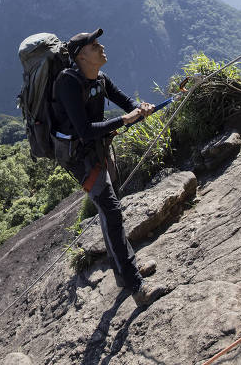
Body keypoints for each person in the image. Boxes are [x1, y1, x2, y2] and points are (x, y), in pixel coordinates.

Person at [52, 28, 164, 306]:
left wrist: (141, 109)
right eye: (94, 45)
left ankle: (126, 272)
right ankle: (137, 288)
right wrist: (125, 120)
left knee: (110, 212)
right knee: (112, 212)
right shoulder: (68, 83)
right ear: (80, 57)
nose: (101, 48)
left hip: (98, 151)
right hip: (80, 158)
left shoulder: (99, 78)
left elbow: (126, 102)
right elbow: (85, 130)